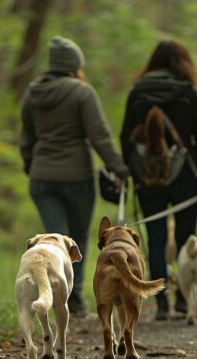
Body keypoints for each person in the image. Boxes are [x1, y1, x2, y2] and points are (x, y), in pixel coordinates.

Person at [20, 36, 129, 317]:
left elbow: (26, 139)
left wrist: (30, 165)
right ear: (75, 65)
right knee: (74, 239)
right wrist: (119, 168)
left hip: (42, 177)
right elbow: (99, 136)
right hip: (77, 177)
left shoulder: (33, 93)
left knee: (53, 240)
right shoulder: (82, 92)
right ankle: (74, 299)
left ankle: (52, 295)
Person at [120, 40, 197, 320]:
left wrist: (134, 174)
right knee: (188, 237)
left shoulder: (137, 93)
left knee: (156, 237)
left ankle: (161, 300)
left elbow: (126, 138)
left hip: (149, 178)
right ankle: (185, 301)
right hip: (186, 176)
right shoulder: (189, 93)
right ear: (183, 63)